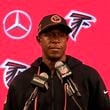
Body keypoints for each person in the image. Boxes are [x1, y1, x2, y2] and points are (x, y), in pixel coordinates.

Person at [4, 14, 110, 110]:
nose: (55, 40)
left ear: (67, 39)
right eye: (49, 35)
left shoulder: (88, 76)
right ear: (38, 39)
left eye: (61, 35)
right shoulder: (21, 82)